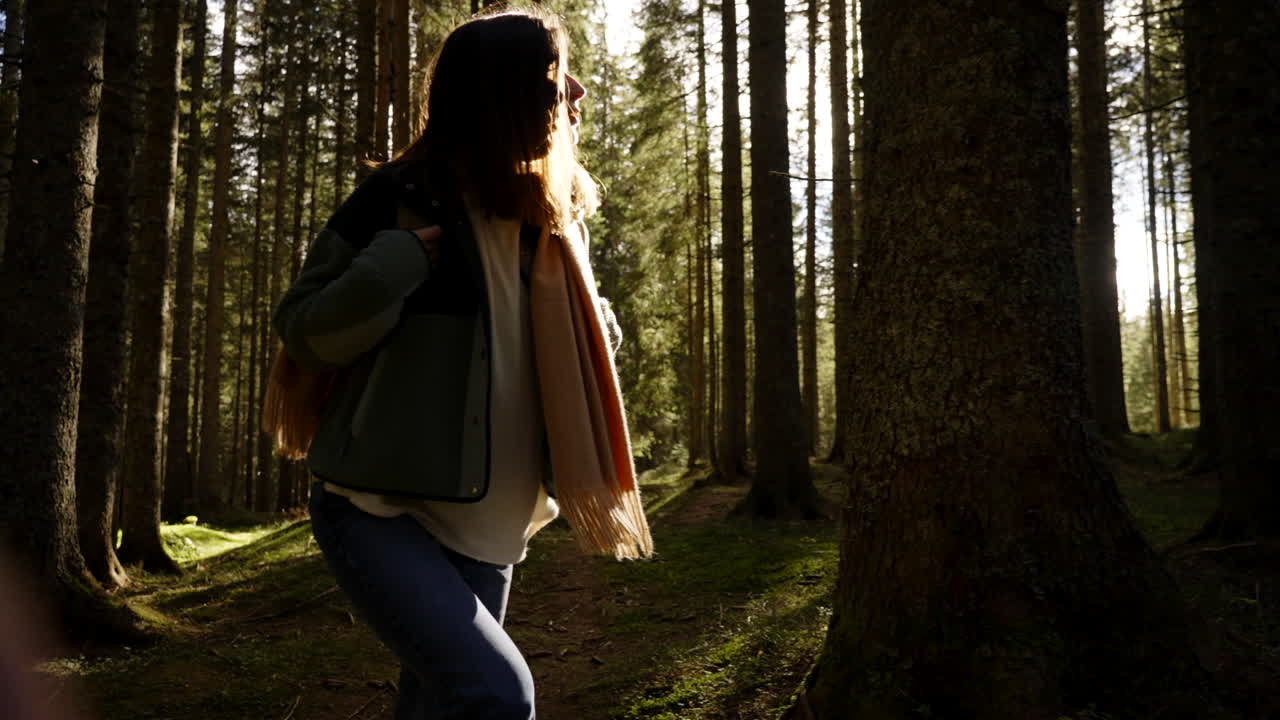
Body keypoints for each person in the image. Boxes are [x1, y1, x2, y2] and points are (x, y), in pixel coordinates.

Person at [264, 7, 653, 719]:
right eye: (549, 76)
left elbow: (551, 345)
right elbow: (304, 331)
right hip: (380, 514)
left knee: (438, 707)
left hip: (492, 528)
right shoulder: (399, 199)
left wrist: (590, 323)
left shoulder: (549, 215)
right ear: (498, 91)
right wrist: (395, 265)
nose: (574, 94)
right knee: (496, 695)